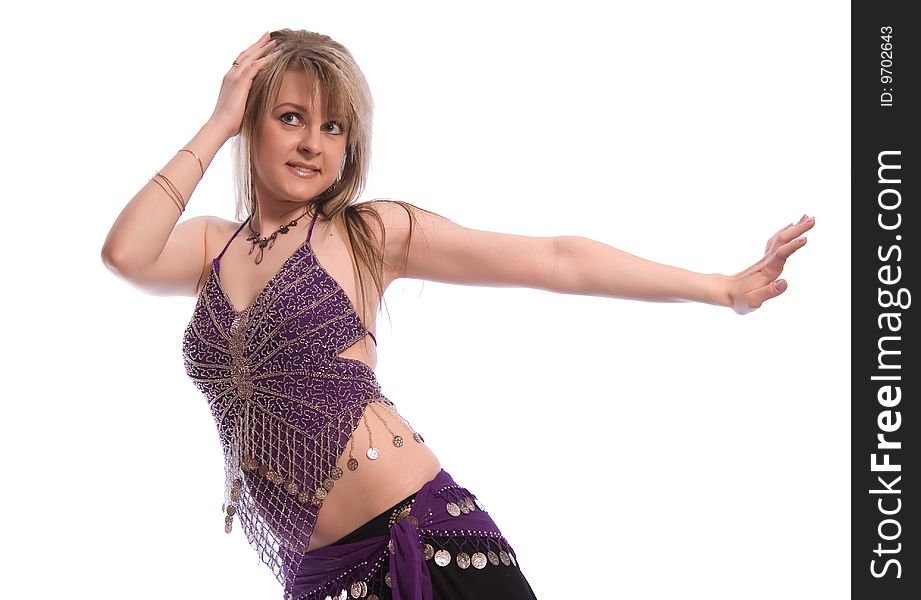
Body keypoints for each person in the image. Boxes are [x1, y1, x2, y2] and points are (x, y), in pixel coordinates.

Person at [101, 29, 815, 600]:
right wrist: (217, 120)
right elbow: (125, 255)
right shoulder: (207, 248)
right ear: (253, 124)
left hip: (424, 540)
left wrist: (720, 287)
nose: (313, 143)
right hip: (318, 579)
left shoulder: (366, 233)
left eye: (333, 126)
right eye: (289, 118)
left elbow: (555, 258)